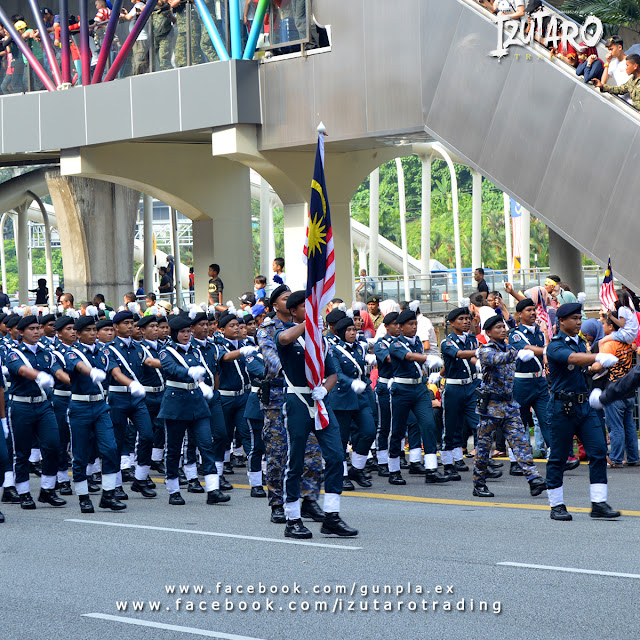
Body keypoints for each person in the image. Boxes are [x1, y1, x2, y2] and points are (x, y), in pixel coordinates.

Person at [276, 290, 357, 538]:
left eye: (313, 307)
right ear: (294, 311)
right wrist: (307, 323)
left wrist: (325, 389)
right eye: (304, 307)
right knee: (296, 460)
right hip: (297, 399)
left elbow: (331, 372)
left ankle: (331, 516)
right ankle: (292, 518)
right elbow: (284, 339)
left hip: (319, 401)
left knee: (335, 456)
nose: (311, 311)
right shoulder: (290, 332)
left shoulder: (321, 340)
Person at [256, 285, 325, 524]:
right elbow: (272, 359)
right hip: (278, 398)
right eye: (285, 299)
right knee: (278, 453)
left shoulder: (308, 327)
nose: (291, 302)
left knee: (312, 451)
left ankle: (308, 499)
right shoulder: (268, 328)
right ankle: (277, 502)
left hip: (305, 399)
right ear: (275, 305)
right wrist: (293, 372)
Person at [545, 303, 620, 521]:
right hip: (562, 407)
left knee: (598, 451)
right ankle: (556, 505)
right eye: (574, 319)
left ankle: (598, 503)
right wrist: (598, 357)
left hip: (584, 405)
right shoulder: (556, 345)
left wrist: (597, 366)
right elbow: (572, 359)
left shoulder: (579, 342)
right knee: (558, 457)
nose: (579, 322)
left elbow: (582, 367)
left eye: (580, 318)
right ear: (561, 321)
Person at [158, 315, 229, 505]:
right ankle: (173, 490)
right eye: (182, 332)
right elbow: (171, 369)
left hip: (196, 402)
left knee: (206, 444)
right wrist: (189, 372)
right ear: (174, 334)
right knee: (173, 448)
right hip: (176, 403)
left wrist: (203, 385)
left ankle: (213, 489)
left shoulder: (195, 351)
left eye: (188, 331)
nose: (186, 335)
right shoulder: (167, 352)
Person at [473, 314, 547, 498]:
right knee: (484, 447)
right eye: (497, 327)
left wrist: (516, 352)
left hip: (509, 404)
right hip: (491, 406)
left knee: (520, 442)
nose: (503, 329)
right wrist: (517, 353)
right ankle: (479, 483)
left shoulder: (509, 347)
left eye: (504, 326)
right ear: (488, 332)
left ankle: (533, 479)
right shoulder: (485, 350)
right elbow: (497, 359)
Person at [6, 315, 69, 510]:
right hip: (21, 406)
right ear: (21, 332)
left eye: (37, 328)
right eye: (31, 328)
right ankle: (24, 492)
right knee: (22, 451)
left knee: (53, 445)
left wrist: (75, 382)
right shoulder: (14, 353)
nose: (36, 332)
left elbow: (58, 371)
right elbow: (22, 370)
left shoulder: (46, 353)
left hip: (43, 405)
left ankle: (47, 490)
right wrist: (40, 375)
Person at [64, 314, 125, 513]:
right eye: (87, 330)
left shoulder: (104, 352)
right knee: (81, 455)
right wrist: (91, 372)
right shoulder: (73, 352)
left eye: (93, 330)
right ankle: (83, 497)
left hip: (100, 406)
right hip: (80, 407)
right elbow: (78, 366)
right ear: (78, 334)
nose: (92, 333)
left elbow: (115, 371)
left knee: (110, 448)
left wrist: (132, 384)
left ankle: (108, 494)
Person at [387, 309, 447, 485]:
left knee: (428, 425)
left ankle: (431, 469)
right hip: (402, 389)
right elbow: (408, 357)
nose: (413, 327)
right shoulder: (396, 344)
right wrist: (427, 359)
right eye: (410, 324)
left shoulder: (418, 342)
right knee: (397, 429)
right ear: (400, 326)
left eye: (415, 324)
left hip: (419, 388)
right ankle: (394, 470)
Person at [104, 310, 158, 500]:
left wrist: (175, 367)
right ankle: (117, 484)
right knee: (117, 442)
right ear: (116, 327)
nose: (130, 326)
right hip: (118, 398)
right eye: (125, 323)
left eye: (131, 323)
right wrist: (132, 384)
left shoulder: (139, 347)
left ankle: (140, 479)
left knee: (148, 435)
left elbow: (151, 362)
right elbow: (116, 373)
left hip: (136, 399)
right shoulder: (109, 349)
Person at [327, 316, 377, 490]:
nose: (352, 333)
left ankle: (357, 468)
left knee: (369, 431)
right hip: (342, 397)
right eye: (348, 330)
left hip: (360, 396)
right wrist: (351, 382)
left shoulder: (359, 348)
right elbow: (336, 373)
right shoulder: (333, 350)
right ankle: (342, 475)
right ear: (341, 332)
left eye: (354, 330)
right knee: (341, 438)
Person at [509, 299, 553, 465]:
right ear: (520, 314)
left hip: (539, 382)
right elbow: (525, 349)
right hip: (521, 382)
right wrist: (548, 350)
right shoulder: (515, 334)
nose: (533, 313)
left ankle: (554, 454)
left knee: (547, 417)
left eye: (534, 310)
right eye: (529, 310)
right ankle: (516, 460)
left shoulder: (539, 333)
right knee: (520, 421)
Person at [440, 308, 483, 477]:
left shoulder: (471, 339)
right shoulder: (447, 342)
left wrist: (478, 360)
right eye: (461, 319)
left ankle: (482, 462)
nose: (466, 322)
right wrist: (479, 352)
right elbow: (459, 354)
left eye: (467, 318)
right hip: (454, 388)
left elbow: (470, 358)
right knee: (450, 427)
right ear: (452, 323)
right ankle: (448, 464)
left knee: (479, 424)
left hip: (471, 387)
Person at [597, 313, 637, 468]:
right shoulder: (629, 342)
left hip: (614, 389)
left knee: (616, 426)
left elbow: (600, 364)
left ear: (611, 326)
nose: (602, 326)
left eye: (604, 324)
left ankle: (616, 458)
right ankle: (633, 457)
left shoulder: (609, 344)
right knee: (629, 425)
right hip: (629, 388)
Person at [136, 315, 167, 475]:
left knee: (161, 428)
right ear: (142, 330)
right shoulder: (139, 347)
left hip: (161, 393)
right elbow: (151, 362)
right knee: (145, 433)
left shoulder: (162, 346)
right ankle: (142, 465)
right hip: (145, 394)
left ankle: (156, 459)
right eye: (152, 327)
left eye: (158, 326)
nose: (157, 329)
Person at [600, 36, 631, 103]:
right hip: (621, 100)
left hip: (633, 101)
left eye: (611, 49)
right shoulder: (613, 64)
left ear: (619, 47)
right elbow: (603, 83)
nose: (610, 52)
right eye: (609, 50)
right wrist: (607, 62)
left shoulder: (631, 60)